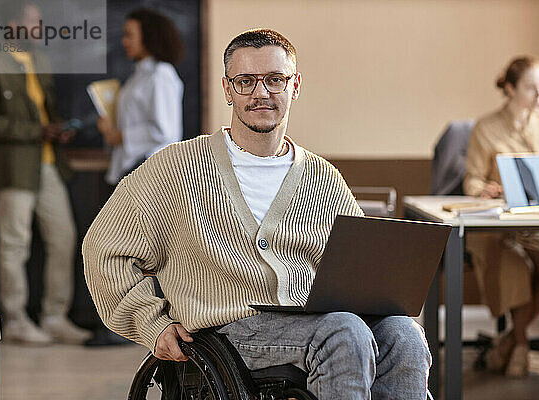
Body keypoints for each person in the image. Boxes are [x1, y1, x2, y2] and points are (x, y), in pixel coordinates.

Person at [83, 29, 431, 399]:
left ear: (295, 86)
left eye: (274, 80)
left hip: (315, 320)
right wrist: (152, 323)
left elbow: (360, 266)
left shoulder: (322, 176)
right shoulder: (175, 168)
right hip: (229, 329)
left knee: (402, 333)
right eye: (245, 81)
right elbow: (104, 249)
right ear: (228, 89)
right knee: (345, 332)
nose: (260, 93)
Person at [0, 0, 91, 345]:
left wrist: (57, 130)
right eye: (33, 19)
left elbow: (44, 111)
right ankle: (17, 320)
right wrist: (36, 130)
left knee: (64, 239)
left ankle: (54, 316)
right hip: (14, 168)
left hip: (49, 163)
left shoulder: (41, 61)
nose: (39, 25)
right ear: (12, 23)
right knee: (14, 244)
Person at [463, 56, 539, 377]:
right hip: (496, 226)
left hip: (535, 223)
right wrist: (484, 189)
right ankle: (519, 344)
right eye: (531, 87)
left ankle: (512, 341)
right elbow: (471, 180)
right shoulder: (486, 128)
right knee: (515, 265)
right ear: (511, 88)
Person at [96, 8, 184, 185]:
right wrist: (110, 130)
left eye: (129, 35)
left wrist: (118, 136)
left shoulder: (161, 74)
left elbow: (164, 130)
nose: (124, 41)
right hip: (133, 170)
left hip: (150, 174)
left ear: (148, 36)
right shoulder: (137, 76)